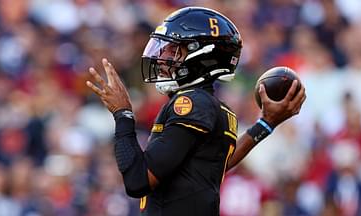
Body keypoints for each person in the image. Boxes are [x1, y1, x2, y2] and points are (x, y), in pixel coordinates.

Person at [86, 6, 306, 216]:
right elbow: (215, 165)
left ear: (200, 55)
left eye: (173, 50)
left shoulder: (191, 104)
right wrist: (265, 124)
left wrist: (123, 114)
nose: (163, 58)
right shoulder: (216, 107)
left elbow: (138, 181)